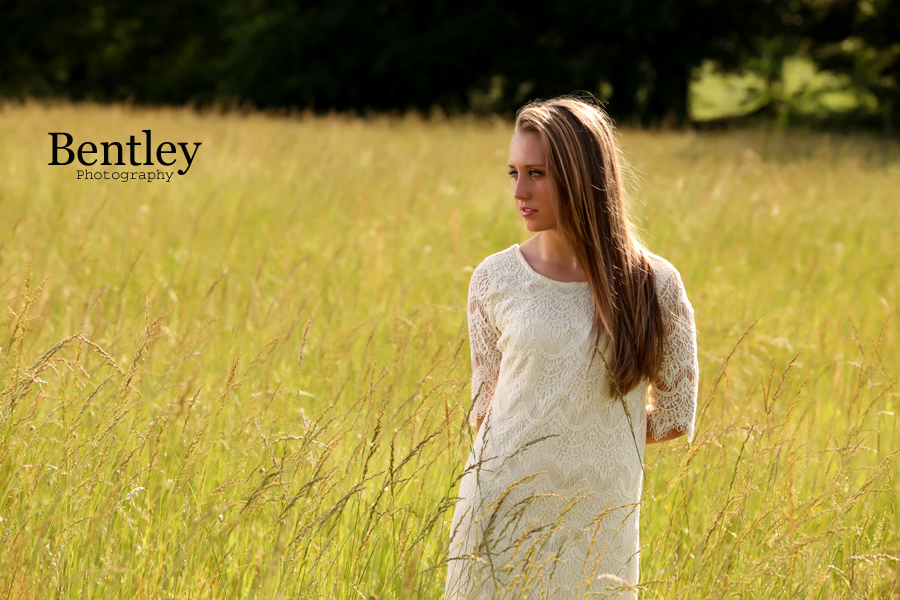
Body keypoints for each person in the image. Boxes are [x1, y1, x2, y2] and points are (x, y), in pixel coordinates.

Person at [445, 97, 699, 600]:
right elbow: (485, 411)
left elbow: (674, 414)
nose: (519, 190)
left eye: (536, 172)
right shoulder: (494, 279)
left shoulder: (654, 284)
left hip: (599, 521)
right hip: (498, 506)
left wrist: (588, 443)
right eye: (513, 172)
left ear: (582, 177)